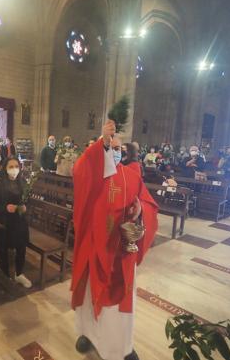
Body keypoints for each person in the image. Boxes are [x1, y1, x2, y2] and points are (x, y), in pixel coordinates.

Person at [71, 120, 158, 360]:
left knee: (117, 308)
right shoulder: (90, 176)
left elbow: (150, 204)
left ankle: (122, 348)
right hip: (94, 249)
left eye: (118, 149)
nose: (114, 152)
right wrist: (102, 141)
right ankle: (87, 334)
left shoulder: (132, 177)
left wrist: (140, 211)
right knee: (90, 298)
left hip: (121, 252)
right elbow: (80, 168)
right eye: (110, 148)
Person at [0, 157, 32, 288]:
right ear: (5, 168)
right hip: (4, 221)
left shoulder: (23, 182)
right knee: (3, 248)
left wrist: (25, 207)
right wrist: (5, 208)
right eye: (11, 167)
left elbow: (27, 201)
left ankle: (19, 274)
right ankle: (5, 274)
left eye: (16, 166)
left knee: (21, 247)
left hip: (19, 221)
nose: (14, 169)